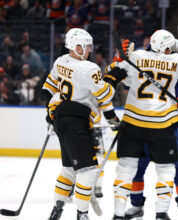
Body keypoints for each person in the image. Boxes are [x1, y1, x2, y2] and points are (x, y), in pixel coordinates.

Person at [43, 28, 126, 220]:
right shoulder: (89, 68)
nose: (90, 49)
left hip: (61, 119)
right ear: (78, 47)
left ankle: (57, 209)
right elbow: (105, 95)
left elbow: (47, 89)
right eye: (87, 46)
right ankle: (82, 214)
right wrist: (113, 79)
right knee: (88, 171)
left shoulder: (60, 61)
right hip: (76, 122)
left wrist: (50, 114)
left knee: (69, 170)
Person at [110, 29, 178, 220]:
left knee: (132, 168)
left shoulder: (137, 56)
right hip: (164, 122)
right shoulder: (175, 61)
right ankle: (151, 209)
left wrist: (120, 56)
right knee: (161, 169)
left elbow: (117, 72)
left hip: (145, 122)